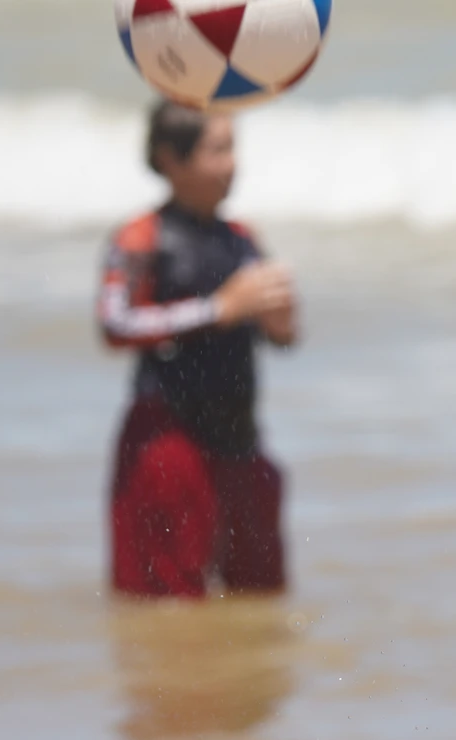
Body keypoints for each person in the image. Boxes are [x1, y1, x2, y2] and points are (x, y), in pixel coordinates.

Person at [98, 100, 298, 599]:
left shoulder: (243, 237)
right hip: (167, 438)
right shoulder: (142, 235)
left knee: (260, 596)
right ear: (171, 158)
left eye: (233, 149)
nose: (232, 163)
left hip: (240, 438)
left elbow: (282, 336)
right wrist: (219, 309)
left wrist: (280, 322)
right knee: (164, 601)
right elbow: (114, 322)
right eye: (218, 150)